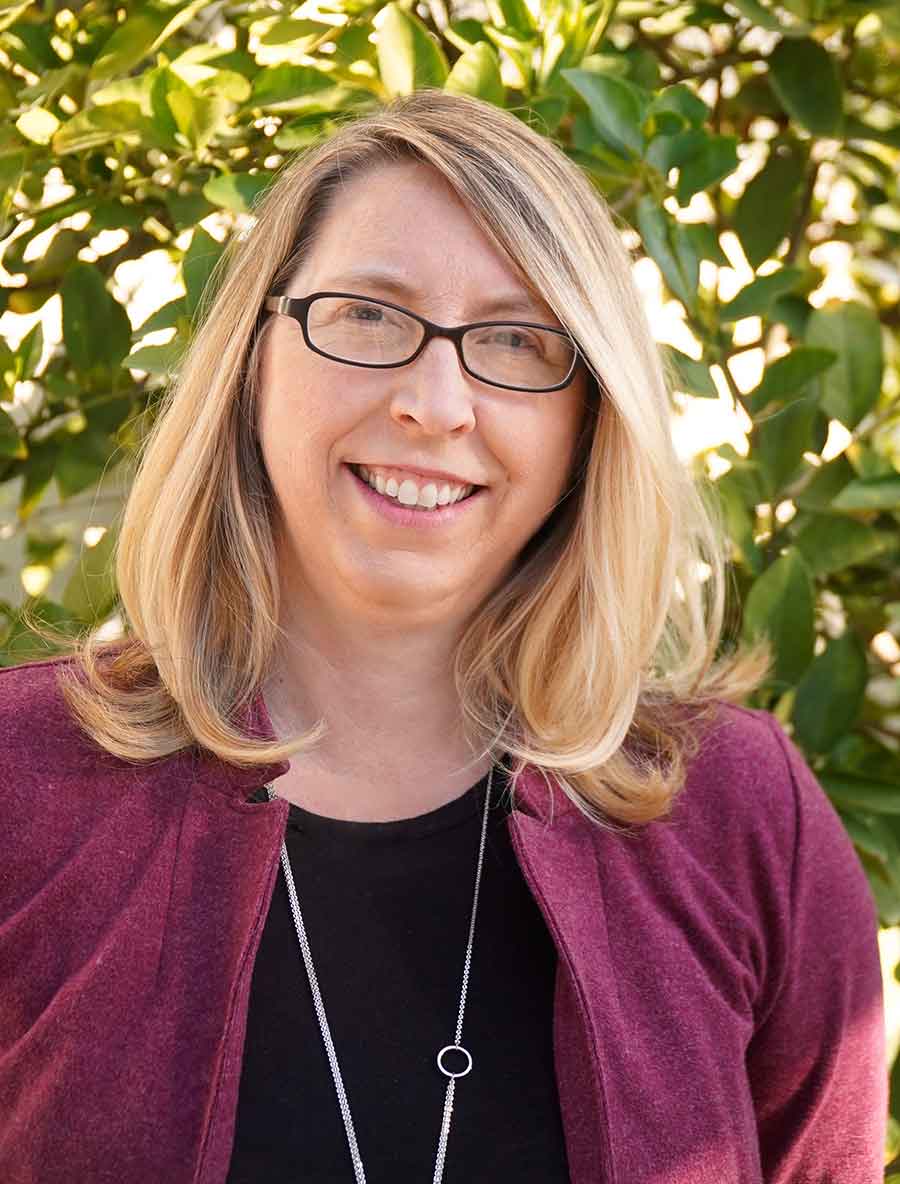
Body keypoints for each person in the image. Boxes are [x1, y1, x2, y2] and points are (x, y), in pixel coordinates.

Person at [0, 89, 886, 1184]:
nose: (436, 401)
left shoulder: (743, 816)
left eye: (517, 340)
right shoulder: (19, 781)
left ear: (585, 422)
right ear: (252, 359)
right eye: (369, 315)